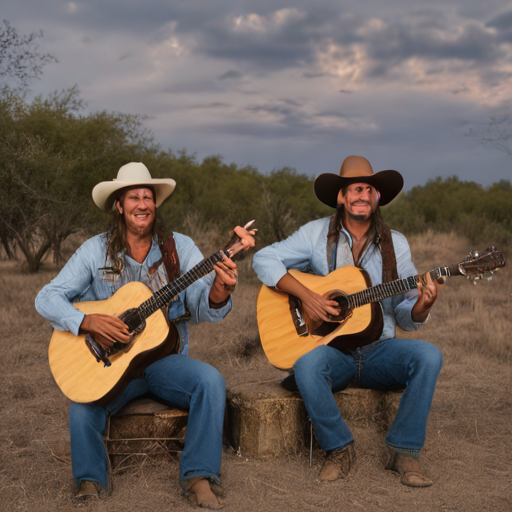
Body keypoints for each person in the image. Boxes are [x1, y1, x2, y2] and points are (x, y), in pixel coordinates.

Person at [35, 162, 255, 508]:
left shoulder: (178, 248)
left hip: (164, 361)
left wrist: (220, 291)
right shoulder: (95, 250)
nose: (142, 204)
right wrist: (87, 322)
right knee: (82, 408)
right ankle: (90, 481)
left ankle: (199, 476)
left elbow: (202, 306)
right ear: (119, 206)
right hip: (112, 366)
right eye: (134, 197)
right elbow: (46, 298)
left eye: (148, 197)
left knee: (210, 381)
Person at [252, 155, 442, 487]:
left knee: (429, 356)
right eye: (355, 189)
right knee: (306, 365)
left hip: (378, 352)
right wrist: (308, 296)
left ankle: (404, 451)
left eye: (369, 190)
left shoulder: (395, 243)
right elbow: (263, 257)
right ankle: (339, 449)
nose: (362, 196)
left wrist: (422, 306)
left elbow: (405, 315)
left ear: (377, 197)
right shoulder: (315, 234)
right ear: (341, 196)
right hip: (334, 352)